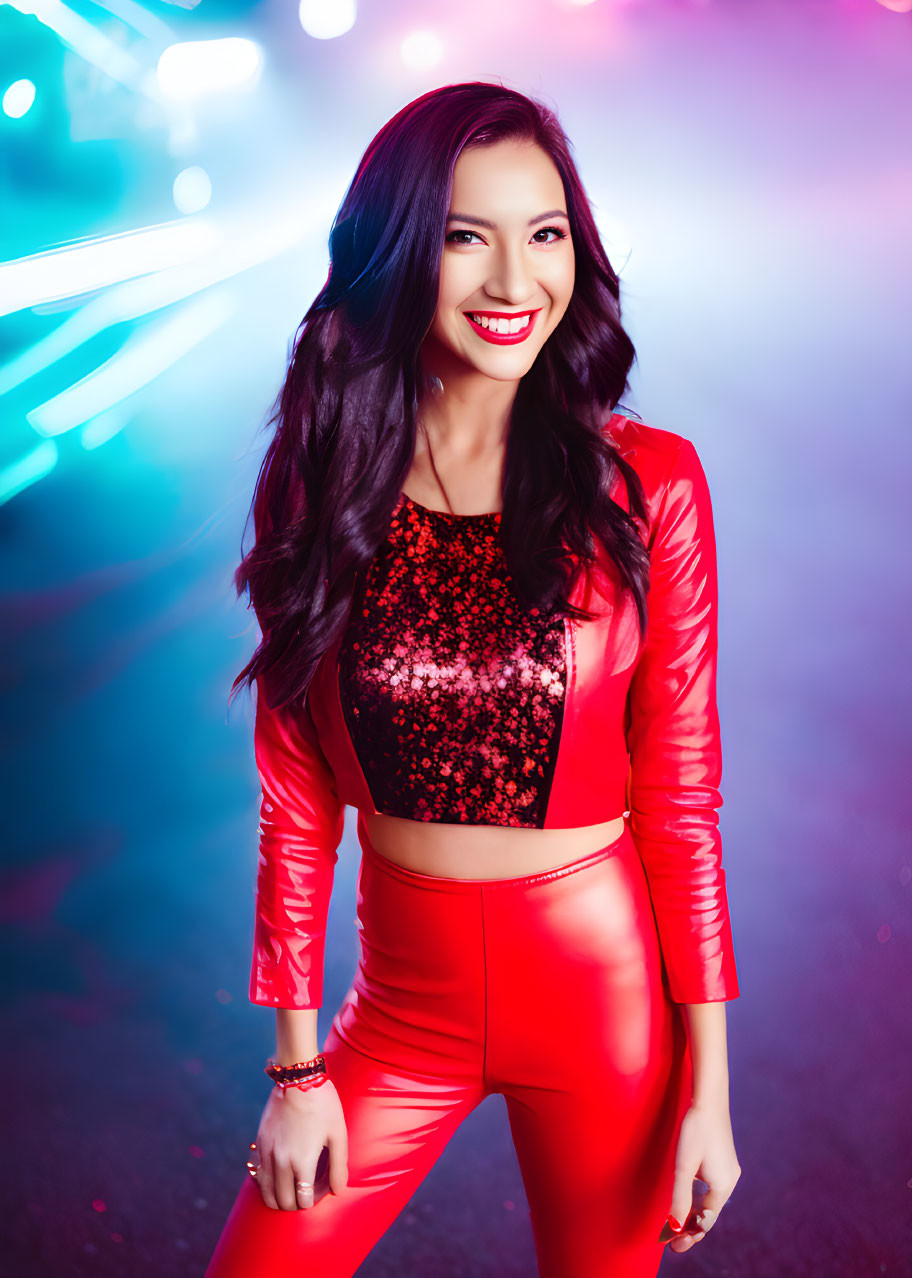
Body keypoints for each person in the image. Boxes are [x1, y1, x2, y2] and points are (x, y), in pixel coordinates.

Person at [204, 81, 740, 1277]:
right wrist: (296, 1072)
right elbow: (296, 806)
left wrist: (709, 1084)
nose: (514, 283)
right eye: (465, 238)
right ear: (398, 253)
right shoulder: (323, 483)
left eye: (543, 235)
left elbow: (682, 797)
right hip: (403, 1004)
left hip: (599, 995)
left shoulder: (649, 486)